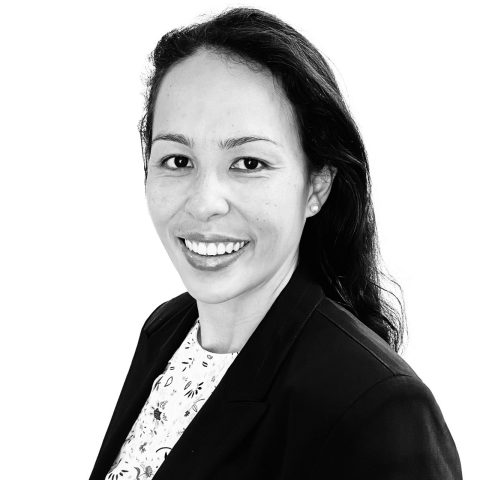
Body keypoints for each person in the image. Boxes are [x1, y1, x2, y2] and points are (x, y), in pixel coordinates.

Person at [89, 7, 462, 480]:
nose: (204, 204)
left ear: (317, 186)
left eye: (249, 163)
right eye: (178, 160)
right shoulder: (167, 330)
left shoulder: (379, 409)